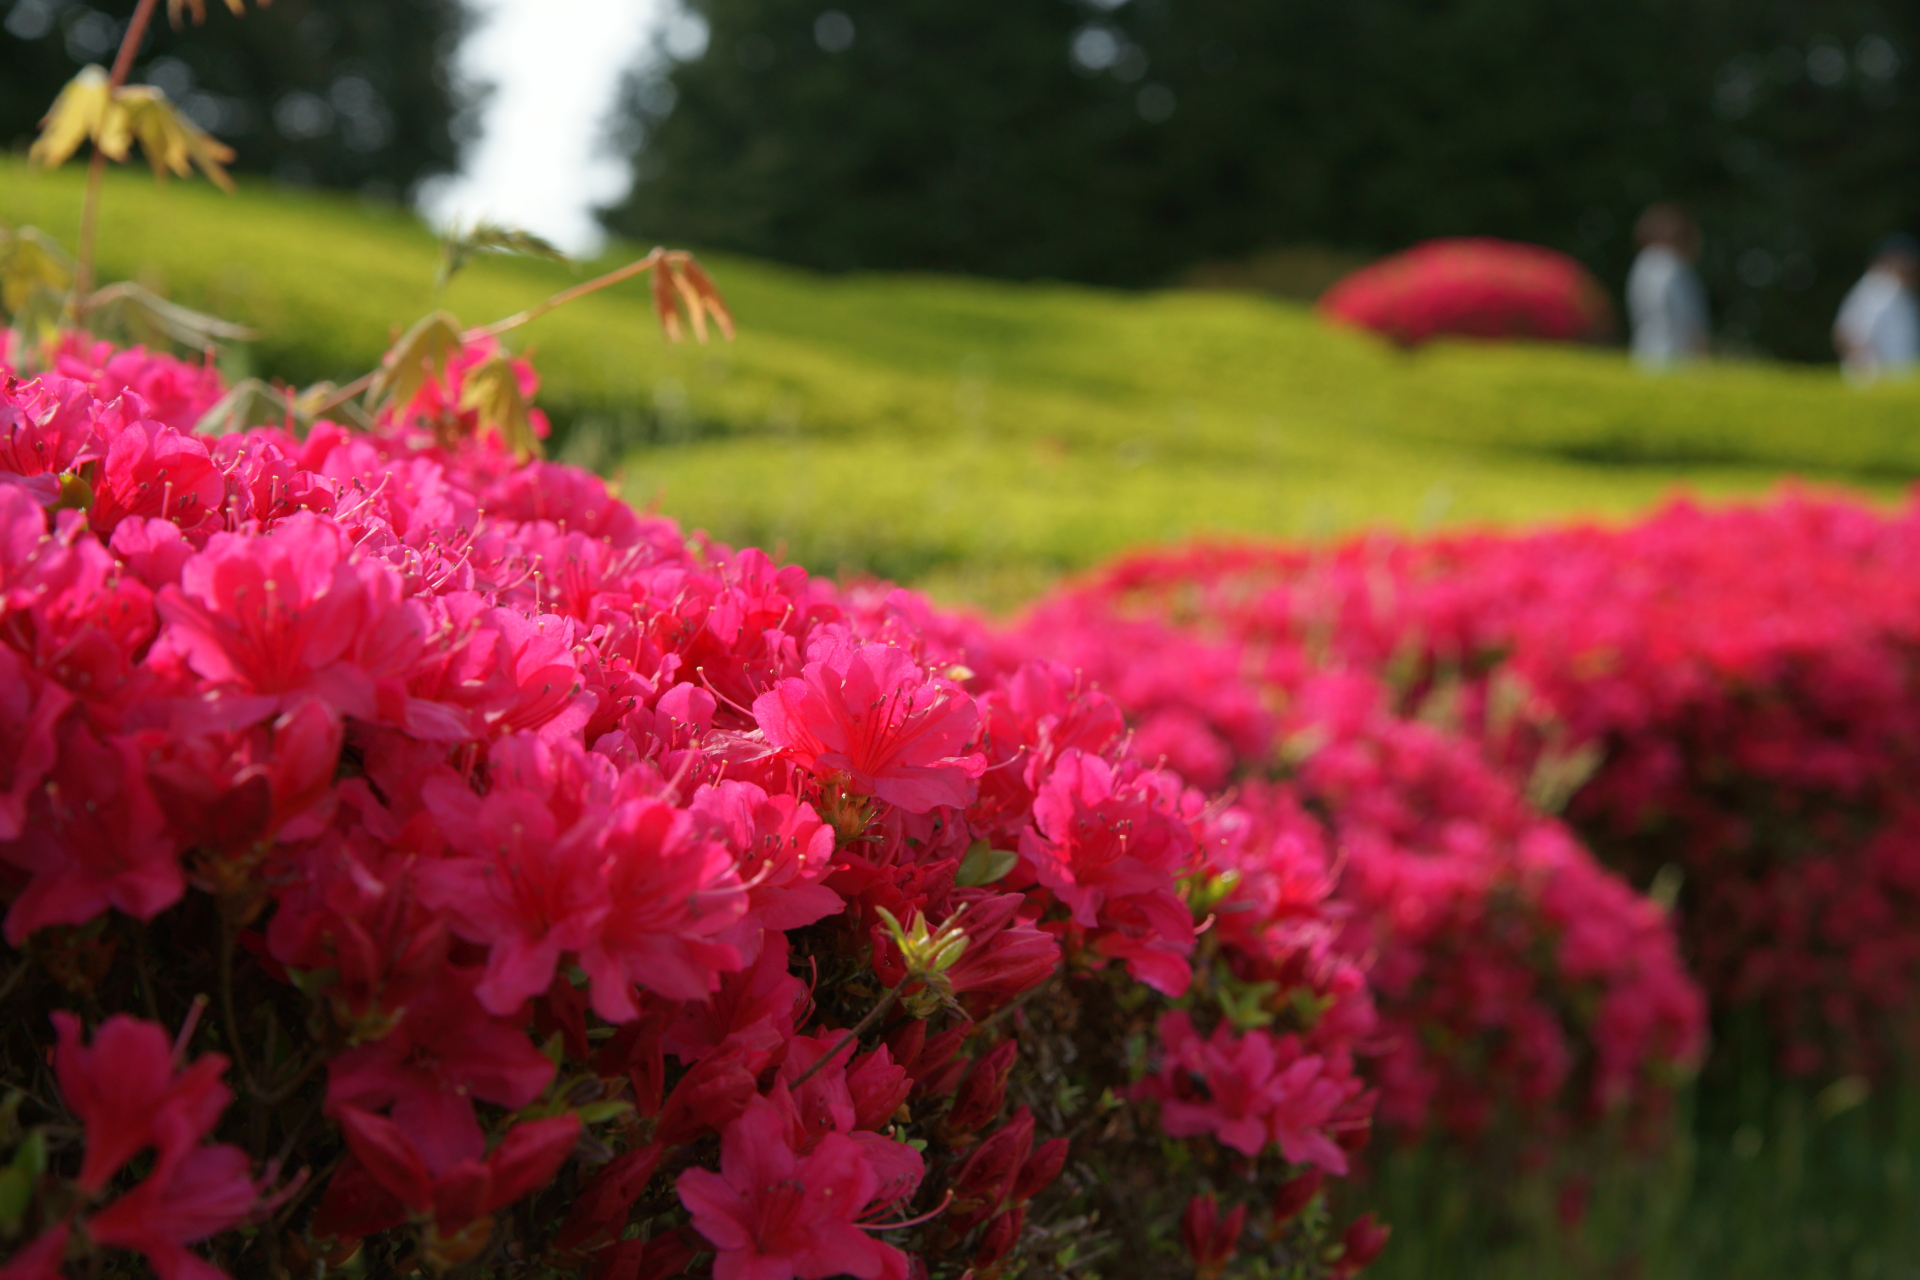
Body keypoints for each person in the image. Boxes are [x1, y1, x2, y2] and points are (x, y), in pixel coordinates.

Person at [1627, 204, 1711, 369]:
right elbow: (1688, 320)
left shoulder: (1642, 264)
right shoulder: (1675, 268)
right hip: (1677, 360)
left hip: (1643, 356)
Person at [1833, 234, 1920, 383]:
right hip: (1880, 381)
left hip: (1899, 381)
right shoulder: (1879, 288)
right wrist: (1869, 376)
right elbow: (1850, 335)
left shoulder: (1901, 292)